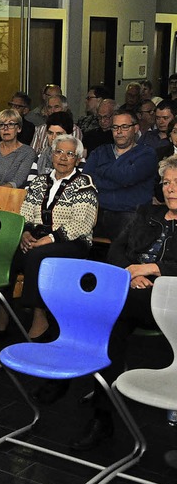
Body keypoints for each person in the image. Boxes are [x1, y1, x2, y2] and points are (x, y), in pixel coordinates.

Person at [69, 155, 177, 452]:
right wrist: (131, 274)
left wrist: (152, 270)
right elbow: (117, 249)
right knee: (111, 326)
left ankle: (70, 367)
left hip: (171, 303)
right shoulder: (146, 213)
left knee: (106, 311)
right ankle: (103, 418)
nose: (170, 188)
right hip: (131, 295)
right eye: (167, 182)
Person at [0, 135, 97, 340]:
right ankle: (3, 308)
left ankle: (39, 315)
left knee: (37, 255)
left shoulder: (85, 184)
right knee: (7, 250)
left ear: (77, 159)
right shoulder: (40, 181)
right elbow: (26, 211)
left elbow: (84, 223)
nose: (63, 158)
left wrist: (50, 238)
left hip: (72, 242)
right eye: (59, 152)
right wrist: (25, 233)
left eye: (70, 154)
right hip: (37, 236)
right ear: (51, 155)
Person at [83, 109, 157, 240]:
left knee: (127, 235)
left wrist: (101, 170)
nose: (119, 132)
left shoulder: (147, 154)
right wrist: (121, 181)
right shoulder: (100, 151)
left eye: (124, 127)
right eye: (115, 127)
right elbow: (86, 180)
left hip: (130, 213)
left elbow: (128, 177)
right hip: (97, 213)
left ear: (135, 128)